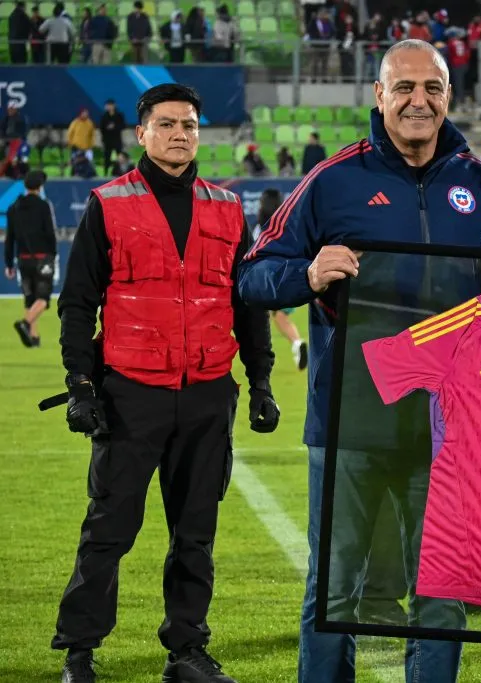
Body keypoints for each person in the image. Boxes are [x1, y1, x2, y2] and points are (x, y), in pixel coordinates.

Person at [236, 39, 481, 683]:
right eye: (404, 87)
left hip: (448, 433)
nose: (418, 101)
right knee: (335, 594)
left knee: (441, 598)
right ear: (378, 95)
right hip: (349, 429)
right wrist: (308, 274)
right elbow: (253, 277)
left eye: (432, 87)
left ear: (449, 95)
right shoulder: (333, 179)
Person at [52, 83, 279, 683]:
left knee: (195, 534)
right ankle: (80, 652)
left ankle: (187, 652)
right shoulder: (110, 202)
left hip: (207, 391)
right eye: (168, 124)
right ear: (142, 132)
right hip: (130, 392)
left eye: (190, 125)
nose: (180, 134)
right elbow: (77, 302)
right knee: (109, 529)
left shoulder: (228, 207)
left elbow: (248, 303)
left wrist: (260, 381)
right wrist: (81, 384)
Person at [252, 188, 308, 370]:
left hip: (268, 276)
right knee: (280, 316)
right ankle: (297, 343)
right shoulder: (289, 221)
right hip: (291, 273)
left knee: (262, 318)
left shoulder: (260, 227)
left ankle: (262, 359)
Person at [4, 169, 56, 347]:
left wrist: (9, 263)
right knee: (43, 298)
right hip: (42, 258)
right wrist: (53, 254)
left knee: (30, 298)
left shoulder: (13, 208)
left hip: (23, 259)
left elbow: (9, 238)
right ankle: (25, 324)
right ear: (40, 186)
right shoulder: (43, 205)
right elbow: (50, 232)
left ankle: (33, 337)